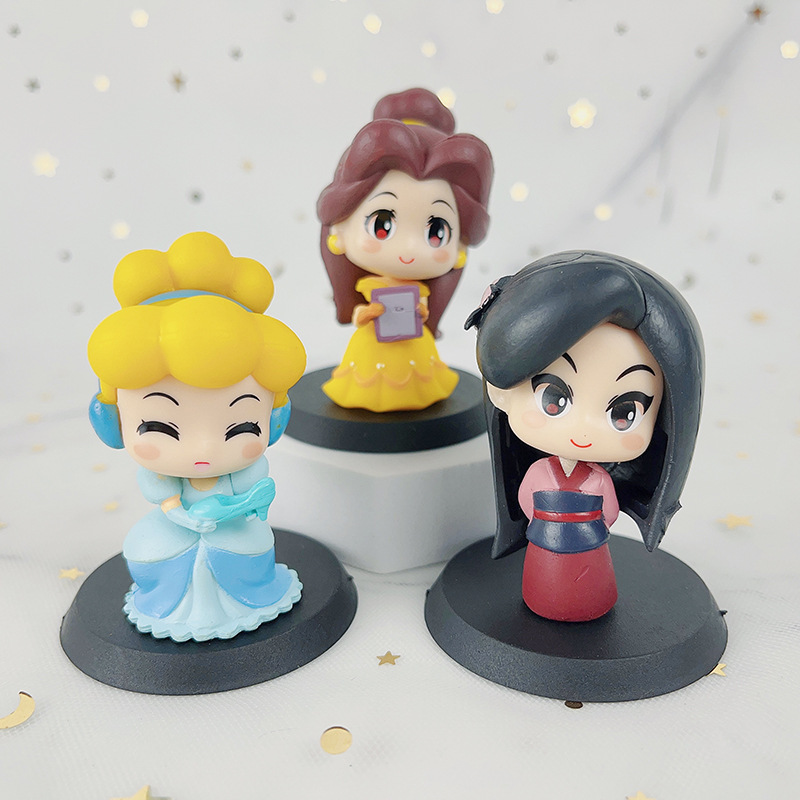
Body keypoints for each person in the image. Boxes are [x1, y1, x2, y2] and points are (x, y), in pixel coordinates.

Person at [87, 232, 306, 641]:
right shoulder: (161, 479)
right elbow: (167, 500)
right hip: (177, 528)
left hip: (232, 531)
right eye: (160, 427)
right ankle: (174, 603)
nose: (204, 449)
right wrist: (183, 517)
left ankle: (245, 597)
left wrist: (244, 507)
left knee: (250, 546)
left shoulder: (245, 470)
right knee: (148, 549)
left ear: (274, 421)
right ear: (114, 423)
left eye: (241, 428)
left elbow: (254, 496)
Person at [466, 251, 703, 621]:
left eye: (624, 412)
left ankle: (589, 601)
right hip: (546, 542)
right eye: (554, 399)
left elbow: (608, 512)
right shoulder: (541, 473)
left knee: (590, 586)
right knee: (545, 581)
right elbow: (529, 501)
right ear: (502, 392)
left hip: (588, 545)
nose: (584, 429)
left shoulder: (596, 479)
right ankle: (544, 599)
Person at [317, 88, 493, 412]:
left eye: (436, 231)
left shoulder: (420, 290)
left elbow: (422, 311)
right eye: (382, 224)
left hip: (415, 348)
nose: (409, 249)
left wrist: (421, 313)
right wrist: (367, 313)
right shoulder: (368, 286)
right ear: (338, 229)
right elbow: (358, 314)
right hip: (373, 348)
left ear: (460, 246)